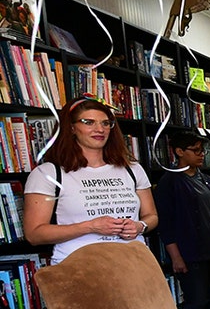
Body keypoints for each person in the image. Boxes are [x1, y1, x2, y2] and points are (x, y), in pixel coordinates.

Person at [24, 97, 156, 265]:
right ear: (71, 128)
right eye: (88, 122)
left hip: (134, 265)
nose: (99, 129)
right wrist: (91, 226)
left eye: (106, 123)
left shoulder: (132, 169)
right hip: (80, 269)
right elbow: (34, 235)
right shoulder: (48, 173)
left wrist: (140, 226)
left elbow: (151, 216)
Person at [152, 132, 210, 309]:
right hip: (191, 254)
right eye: (196, 150)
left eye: (203, 150)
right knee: (196, 302)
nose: (202, 155)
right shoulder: (169, 182)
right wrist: (175, 256)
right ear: (180, 152)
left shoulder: (208, 180)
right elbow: (166, 223)